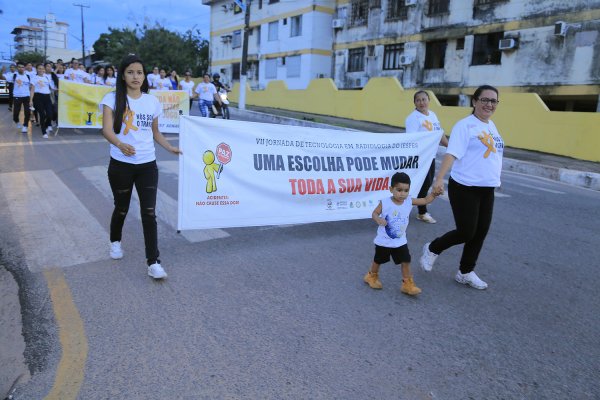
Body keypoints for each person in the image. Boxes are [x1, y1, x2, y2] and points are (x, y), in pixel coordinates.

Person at [100, 54, 182, 279]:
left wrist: (170, 147)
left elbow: (155, 132)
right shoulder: (111, 99)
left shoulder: (152, 101)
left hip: (147, 166)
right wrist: (120, 144)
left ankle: (153, 261)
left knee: (149, 213)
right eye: (130, 72)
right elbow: (106, 129)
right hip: (121, 165)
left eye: (139, 72)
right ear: (123, 75)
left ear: (144, 76)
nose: (136, 76)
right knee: (122, 208)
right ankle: (115, 241)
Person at [420, 85, 504, 290]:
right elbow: (452, 153)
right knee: (466, 232)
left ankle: (465, 272)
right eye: (485, 100)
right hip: (465, 186)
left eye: (493, 101)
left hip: (487, 188)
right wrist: (439, 179)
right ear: (474, 101)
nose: (489, 104)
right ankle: (432, 248)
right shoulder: (465, 126)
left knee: (480, 232)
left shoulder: (491, 126)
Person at [364, 172, 440, 296]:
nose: (402, 193)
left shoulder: (409, 201)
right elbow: (374, 213)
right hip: (384, 240)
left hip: (400, 241)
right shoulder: (385, 202)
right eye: (399, 190)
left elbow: (426, 200)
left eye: (406, 190)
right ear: (391, 189)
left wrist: (434, 194)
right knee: (378, 260)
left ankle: (407, 284)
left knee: (406, 261)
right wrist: (378, 219)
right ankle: (371, 276)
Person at [405, 90, 449, 224]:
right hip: (419, 158)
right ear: (414, 103)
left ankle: (414, 210)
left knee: (425, 184)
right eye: (418, 100)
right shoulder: (413, 118)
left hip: (430, 157)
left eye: (424, 99)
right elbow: (412, 140)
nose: (421, 102)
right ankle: (421, 212)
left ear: (429, 100)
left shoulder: (433, 115)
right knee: (420, 185)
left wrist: (451, 146)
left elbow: (439, 134)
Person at [31, 63, 56, 139]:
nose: (41, 70)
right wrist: (31, 100)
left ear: (44, 70)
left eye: (42, 69)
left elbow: (51, 88)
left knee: (50, 115)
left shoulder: (47, 78)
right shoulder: (34, 78)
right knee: (42, 115)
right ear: (36, 69)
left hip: (47, 97)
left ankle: (45, 125)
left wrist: (58, 89)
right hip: (38, 97)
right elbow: (32, 90)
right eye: (39, 68)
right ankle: (44, 131)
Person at [12, 62, 34, 134]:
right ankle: (16, 121)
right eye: (19, 67)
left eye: (22, 67)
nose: (21, 68)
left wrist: (31, 98)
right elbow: (3, 77)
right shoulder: (14, 75)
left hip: (26, 96)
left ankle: (25, 126)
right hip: (17, 96)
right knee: (16, 112)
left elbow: (31, 86)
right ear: (17, 68)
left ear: (24, 68)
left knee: (27, 112)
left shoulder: (28, 76)